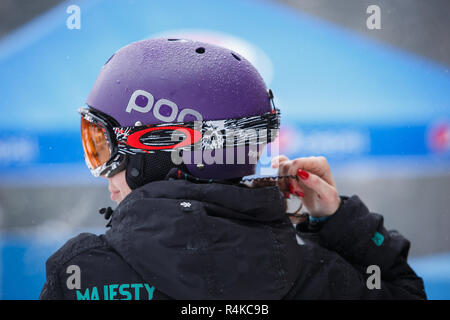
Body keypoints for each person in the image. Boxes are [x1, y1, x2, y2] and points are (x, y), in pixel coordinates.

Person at [40, 38, 426, 300]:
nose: (105, 172)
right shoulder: (324, 276)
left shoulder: (83, 274)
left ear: (165, 147)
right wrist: (341, 220)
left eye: (104, 147)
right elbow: (404, 291)